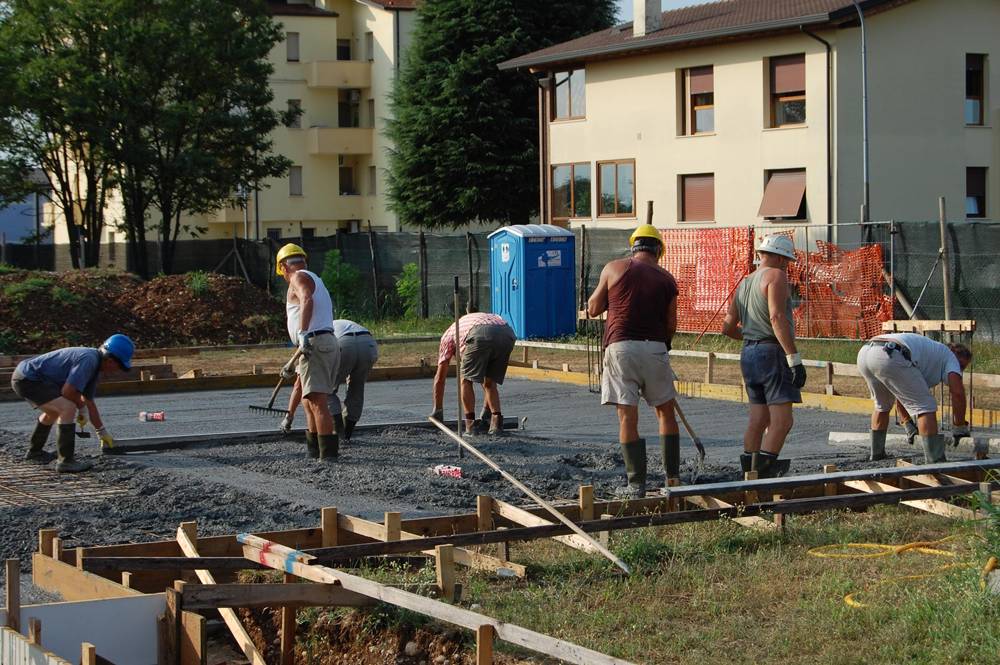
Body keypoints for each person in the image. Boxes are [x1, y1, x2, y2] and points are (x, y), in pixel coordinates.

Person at [587, 224, 680, 498]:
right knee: (665, 412)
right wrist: (665, 346)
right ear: (658, 250)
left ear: (633, 247)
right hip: (655, 348)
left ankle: (635, 484)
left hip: (620, 348)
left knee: (627, 414)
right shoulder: (667, 278)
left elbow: (593, 308)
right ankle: (673, 479)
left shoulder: (614, 267)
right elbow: (671, 323)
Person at [722, 234, 806, 479]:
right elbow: (777, 317)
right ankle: (765, 473)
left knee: (758, 418)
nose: (787, 266)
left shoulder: (745, 282)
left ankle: (748, 472)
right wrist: (793, 358)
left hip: (748, 353)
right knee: (782, 421)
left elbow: (727, 328)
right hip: (771, 352)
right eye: (787, 261)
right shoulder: (776, 276)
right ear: (780, 257)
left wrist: (751, 337)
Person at [10, 334, 133, 473]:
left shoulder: (94, 366)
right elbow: (68, 391)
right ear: (110, 360)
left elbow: (88, 400)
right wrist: (81, 408)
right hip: (28, 378)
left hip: (29, 377)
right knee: (67, 407)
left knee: (53, 411)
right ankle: (66, 461)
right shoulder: (89, 360)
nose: (118, 371)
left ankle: (35, 452)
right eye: (120, 366)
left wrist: (101, 432)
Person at [856, 333, 971, 464]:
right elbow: (958, 393)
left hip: (867, 352)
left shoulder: (931, 356)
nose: (960, 371)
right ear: (955, 356)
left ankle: (877, 455)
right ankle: (935, 461)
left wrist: (907, 423)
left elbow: (903, 396)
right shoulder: (950, 357)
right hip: (891, 354)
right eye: (961, 367)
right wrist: (959, 427)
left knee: (882, 405)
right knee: (926, 407)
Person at [276, 243, 341, 461]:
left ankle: (328, 456)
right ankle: (314, 450)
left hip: (315, 341)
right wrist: (293, 362)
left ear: (284, 266)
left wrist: (302, 332)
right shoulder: (315, 278)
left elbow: (306, 298)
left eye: (282, 271)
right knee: (307, 399)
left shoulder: (298, 277)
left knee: (317, 401)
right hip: (319, 342)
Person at [280, 319, 378, 442]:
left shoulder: (316, 333)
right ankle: (347, 434)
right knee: (356, 388)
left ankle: (339, 435)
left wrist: (289, 416)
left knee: (325, 390)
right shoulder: (333, 323)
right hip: (368, 344)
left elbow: (299, 385)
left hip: (344, 344)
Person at [430, 308, 516, 435]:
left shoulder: (448, 335)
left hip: (479, 334)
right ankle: (496, 423)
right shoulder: (477, 318)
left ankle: (470, 425)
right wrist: (486, 412)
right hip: (507, 333)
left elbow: (440, 378)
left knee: (465, 379)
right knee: (490, 381)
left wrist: (437, 411)